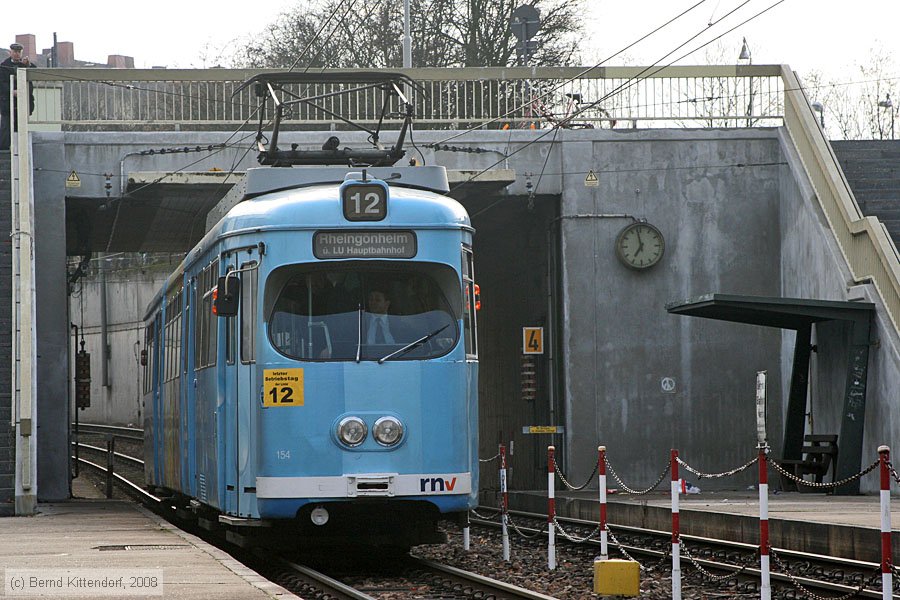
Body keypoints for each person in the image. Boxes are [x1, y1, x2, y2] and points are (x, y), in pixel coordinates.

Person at [0, 43, 36, 151]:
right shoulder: (3, 66)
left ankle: (19, 148)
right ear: (10, 52)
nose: (17, 54)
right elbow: (1, 83)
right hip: (7, 102)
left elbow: (35, 73)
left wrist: (28, 65)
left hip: (23, 102)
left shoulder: (25, 64)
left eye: (18, 52)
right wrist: (12, 91)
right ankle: (4, 149)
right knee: (6, 127)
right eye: (15, 52)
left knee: (20, 127)